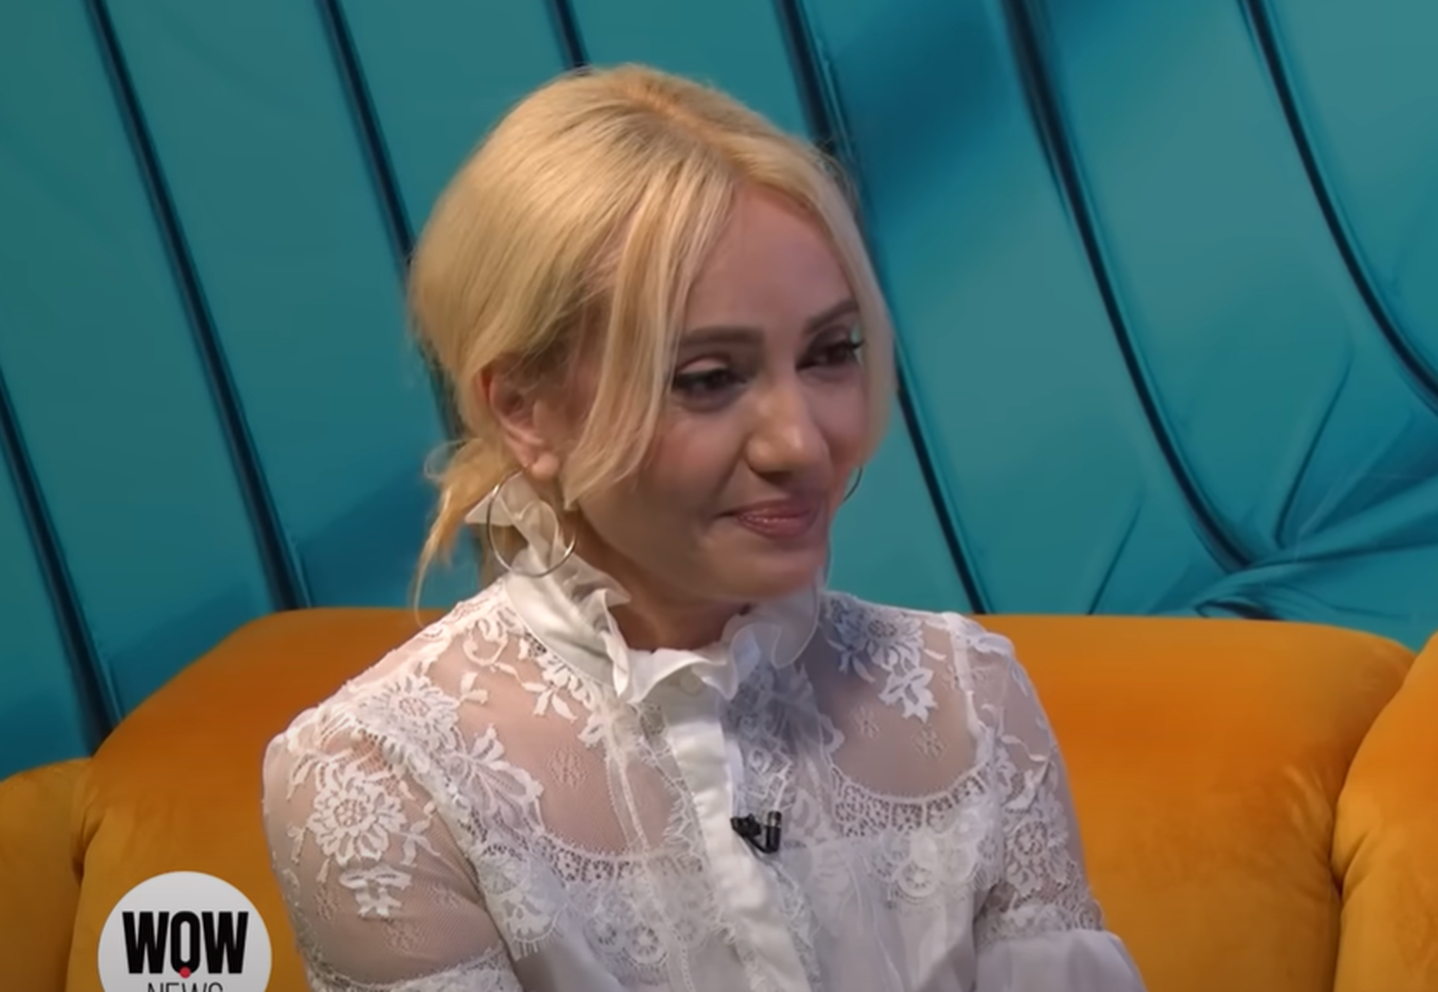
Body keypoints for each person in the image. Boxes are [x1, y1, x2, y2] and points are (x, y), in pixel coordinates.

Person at [258, 63, 1146, 992]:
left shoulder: (971, 700)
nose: (801, 443)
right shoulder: (380, 779)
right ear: (525, 409)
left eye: (831, 352)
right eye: (708, 379)